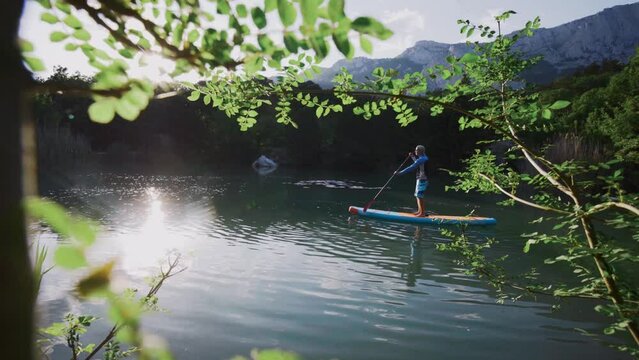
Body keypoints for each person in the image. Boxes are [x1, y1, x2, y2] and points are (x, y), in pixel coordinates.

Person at [395, 145, 429, 217]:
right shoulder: (422, 158)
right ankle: (420, 211)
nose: (415, 151)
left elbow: (412, 167)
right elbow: (417, 163)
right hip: (420, 178)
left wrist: (400, 173)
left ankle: (422, 213)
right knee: (417, 195)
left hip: (422, 179)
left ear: (420, 151)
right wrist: (412, 157)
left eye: (416, 150)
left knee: (420, 196)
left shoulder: (422, 159)